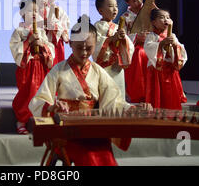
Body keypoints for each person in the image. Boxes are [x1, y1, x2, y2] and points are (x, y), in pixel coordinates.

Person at [29, 15, 152, 166]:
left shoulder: (98, 71)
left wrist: (133, 109)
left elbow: (113, 101)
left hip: (93, 130)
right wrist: (52, 107)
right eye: (80, 48)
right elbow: (40, 99)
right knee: (89, 156)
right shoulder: (59, 69)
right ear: (71, 44)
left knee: (104, 153)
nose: (85, 53)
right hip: (67, 133)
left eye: (89, 48)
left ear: (96, 45)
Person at [10, 0, 55, 134]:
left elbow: (50, 47)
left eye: (36, 10)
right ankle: (21, 121)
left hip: (40, 65)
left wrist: (43, 46)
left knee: (41, 93)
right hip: (27, 66)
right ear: (22, 13)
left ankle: (40, 120)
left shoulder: (41, 31)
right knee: (26, 94)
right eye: (30, 10)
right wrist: (28, 42)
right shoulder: (19, 31)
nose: (34, 13)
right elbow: (15, 48)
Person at [144, 9, 187, 110]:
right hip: (157, 71)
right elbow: (148, 48)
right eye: (162, 17)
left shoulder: (173, 36)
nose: (166, 20)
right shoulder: (151, 36)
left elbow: (181, 50)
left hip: (170, 71)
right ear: (154, 22)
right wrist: (161, 44)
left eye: (168, 17)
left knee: (171, 96)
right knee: (157, 96)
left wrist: (175, 45)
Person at [93, 0, 134, 99]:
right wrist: (111, 39)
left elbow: (130, 46)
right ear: (100, 10)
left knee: (118, 94)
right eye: (111, 6)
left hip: (117, 66)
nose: (115, 9)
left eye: (116, 6)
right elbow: (95, 44)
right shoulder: (97, 26)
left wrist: (124, 39)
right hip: (104, 66)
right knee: (105, 94)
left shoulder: (117, 27)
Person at [119, 0, 153, 103]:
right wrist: (137, 37)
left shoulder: (150, 10)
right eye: (134, 0)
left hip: (152, 43)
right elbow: (123, 37)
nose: (138, 1)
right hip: (135, 47)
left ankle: (155, 92)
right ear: (128, 3)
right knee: (139, 53)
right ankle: (140, 93)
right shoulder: (126, 17)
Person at [44, 0, 70, 65]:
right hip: (47, 39)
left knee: (58, 64)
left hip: (57, 39)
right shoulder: (41, 8)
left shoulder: (60, 10)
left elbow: (66, 23)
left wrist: (58, 27)